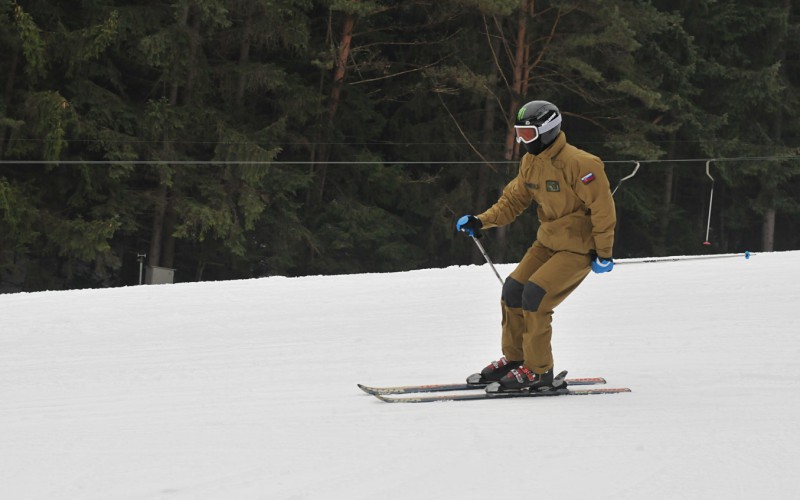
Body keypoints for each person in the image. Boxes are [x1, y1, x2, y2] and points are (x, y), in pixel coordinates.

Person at [456, 100, 616, 392]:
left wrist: (604, 253)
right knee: (513, 290)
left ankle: (539, 370)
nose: (522, 141)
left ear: (548, 130)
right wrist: (481, 221)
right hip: (547, 242)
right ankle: (517, 359)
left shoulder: (582, 164)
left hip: (578, 247)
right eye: (519, 133)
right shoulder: (531, 163)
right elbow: (513, 200)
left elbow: (603, 210)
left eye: (528, 134)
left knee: (536, 295)